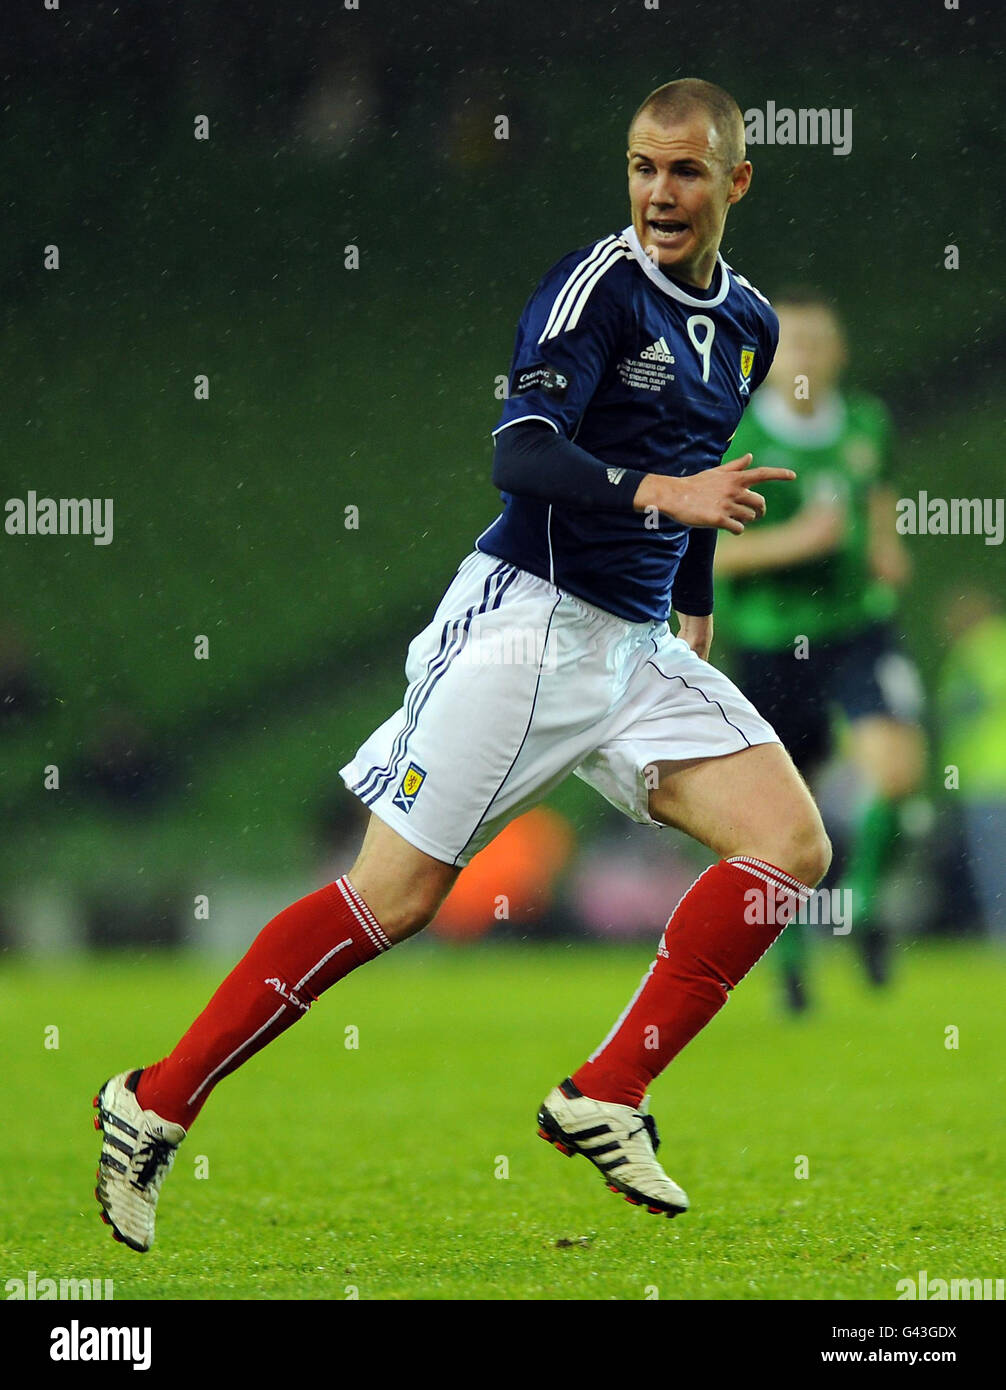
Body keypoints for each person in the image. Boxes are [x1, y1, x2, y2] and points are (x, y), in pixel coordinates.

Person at [93, 78, 831, 1251]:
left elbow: (704, 472)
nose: (659, 193)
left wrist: (691, 605)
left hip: (635, 648)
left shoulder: (746, 323)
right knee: (393, 898)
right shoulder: (591, 292)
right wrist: (660, 498)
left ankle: (607, 1091)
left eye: (687, 171)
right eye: (642, 166)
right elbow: (522, 455)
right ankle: (155, 1100)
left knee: (792, 844)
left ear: (736, 181)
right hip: (525, 629)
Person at [713, 290, 926, 1009]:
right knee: (784, 817)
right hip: (772, 641)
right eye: (791, 346)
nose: (806, 358)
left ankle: (862, 908)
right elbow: (702, 556)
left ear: (838, 354)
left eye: (818, 345)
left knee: (897, 773)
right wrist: (796, 544)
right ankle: (794, 951)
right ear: (769, 362)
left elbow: (877, 497)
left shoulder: (866, 421)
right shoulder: (735, 433)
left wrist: (888, 547)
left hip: (859, 627)